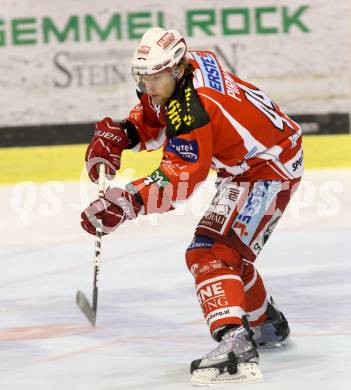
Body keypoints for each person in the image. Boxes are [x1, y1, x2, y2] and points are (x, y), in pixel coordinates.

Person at [81, 27, 303, 384]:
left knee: (209, 253)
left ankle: (236, 345)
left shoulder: (193, 107)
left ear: (176, 68)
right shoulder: (189, 69)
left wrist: (126, 203)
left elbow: (180, 178)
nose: (148, 85)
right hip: (254, 162)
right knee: (229, 254)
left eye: (155, 76)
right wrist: (123, 134)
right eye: (143, 76)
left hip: (267, 170)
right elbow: (157, 116)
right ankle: (266, 324)